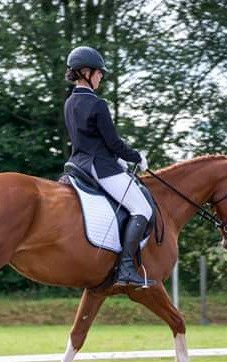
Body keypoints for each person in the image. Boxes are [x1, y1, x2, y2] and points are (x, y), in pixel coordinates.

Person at [64, 46, 155, 288]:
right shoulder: (97, 104)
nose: (100, 78)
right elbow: (113, 143)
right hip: (100, 167)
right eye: (98, 74)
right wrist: (136, 156)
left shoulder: (70, 102)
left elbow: (90, 140)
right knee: (143, 209)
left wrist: (118, 159)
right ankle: (126, 267)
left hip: (77, 164)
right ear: (85, 72)